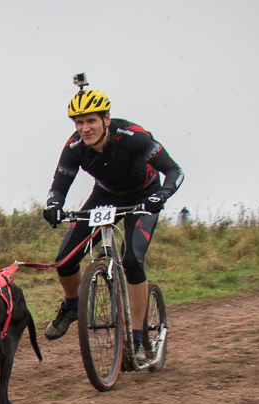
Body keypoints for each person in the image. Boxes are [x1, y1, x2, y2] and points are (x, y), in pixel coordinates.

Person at [42, 80, 184, 362]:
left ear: (106, 118)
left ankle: (139, 339)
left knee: (132, 261)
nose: (85, 129)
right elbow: (59, 185)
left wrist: (162, 195)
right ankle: (72, 306)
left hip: (144, 197)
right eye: (79, 123)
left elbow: (173, 170)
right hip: (105, 198)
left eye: (91, 121)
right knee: (65, 260)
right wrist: (53, 205)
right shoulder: (74, 147)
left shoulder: (133, 136)